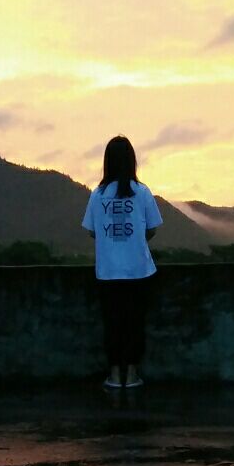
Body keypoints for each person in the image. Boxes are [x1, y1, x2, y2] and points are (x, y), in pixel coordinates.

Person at [81, 135, 163, 389]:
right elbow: (152, 228)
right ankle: (133, 374)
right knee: (135, 323)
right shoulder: (142, 192)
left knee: (113, 324)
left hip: (108, 272)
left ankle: (116, 375)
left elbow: (92, 230)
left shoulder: (97, 195)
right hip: (139, 271)